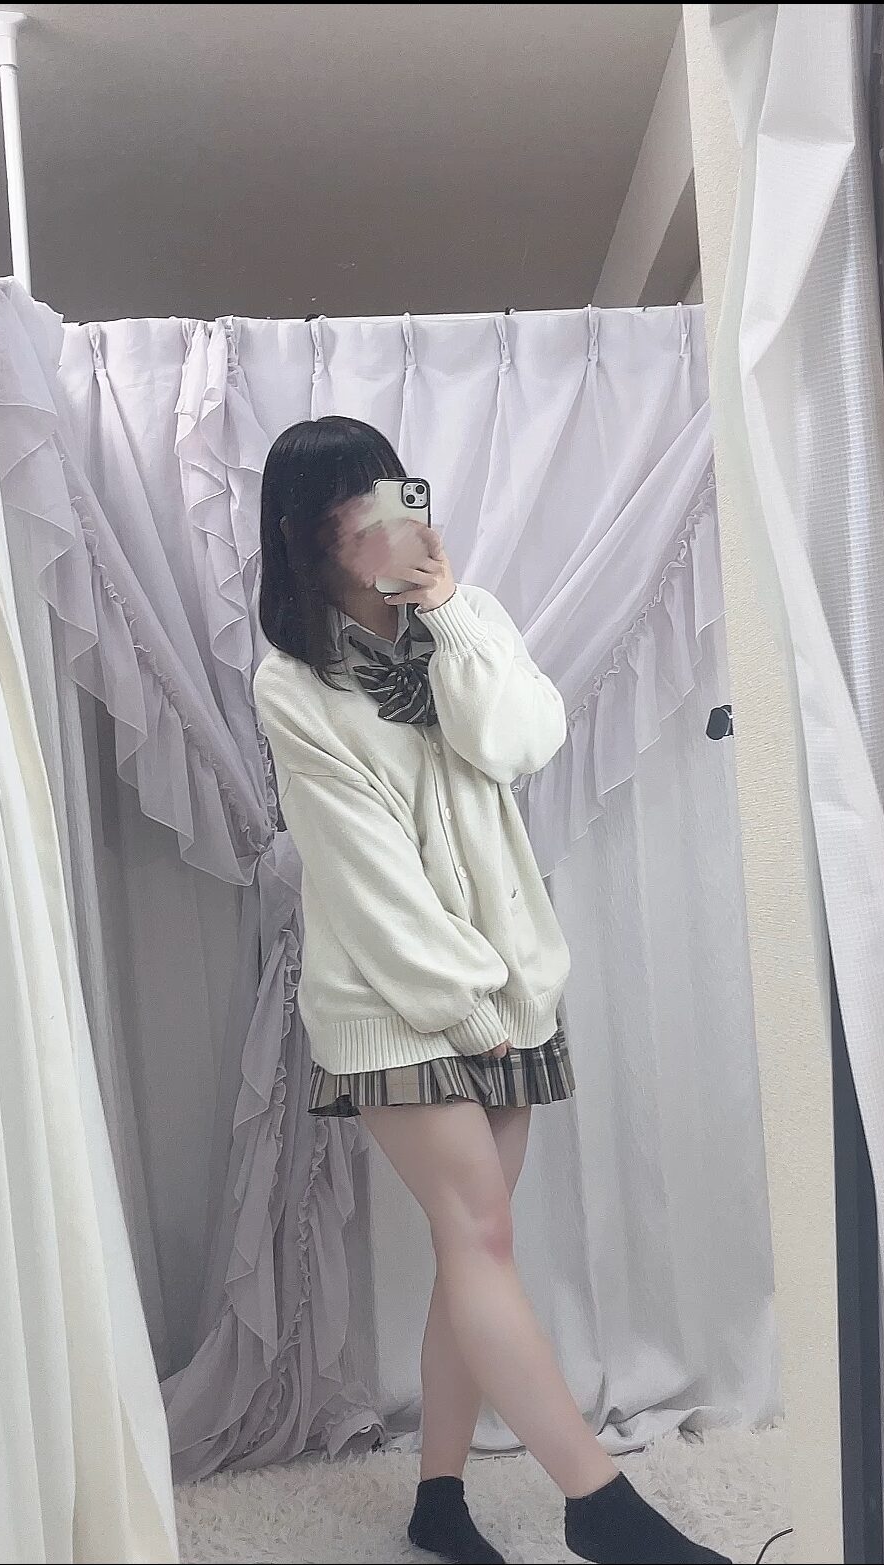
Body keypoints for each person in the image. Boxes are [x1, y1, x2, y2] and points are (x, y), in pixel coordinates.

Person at [254, 415, 730, 1565]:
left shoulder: (462, 623)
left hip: (509, 990)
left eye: (395, 488)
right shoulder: (294, 683)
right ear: (307, 533)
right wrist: (464, 1003)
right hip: (398, 1000)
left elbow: (521, 741)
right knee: (479, 1234)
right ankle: (598, 1503)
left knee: (478, 1246)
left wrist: (452, 610)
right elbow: (361, 873)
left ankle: (439, 1499)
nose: (390, 516)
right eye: (357, 502)